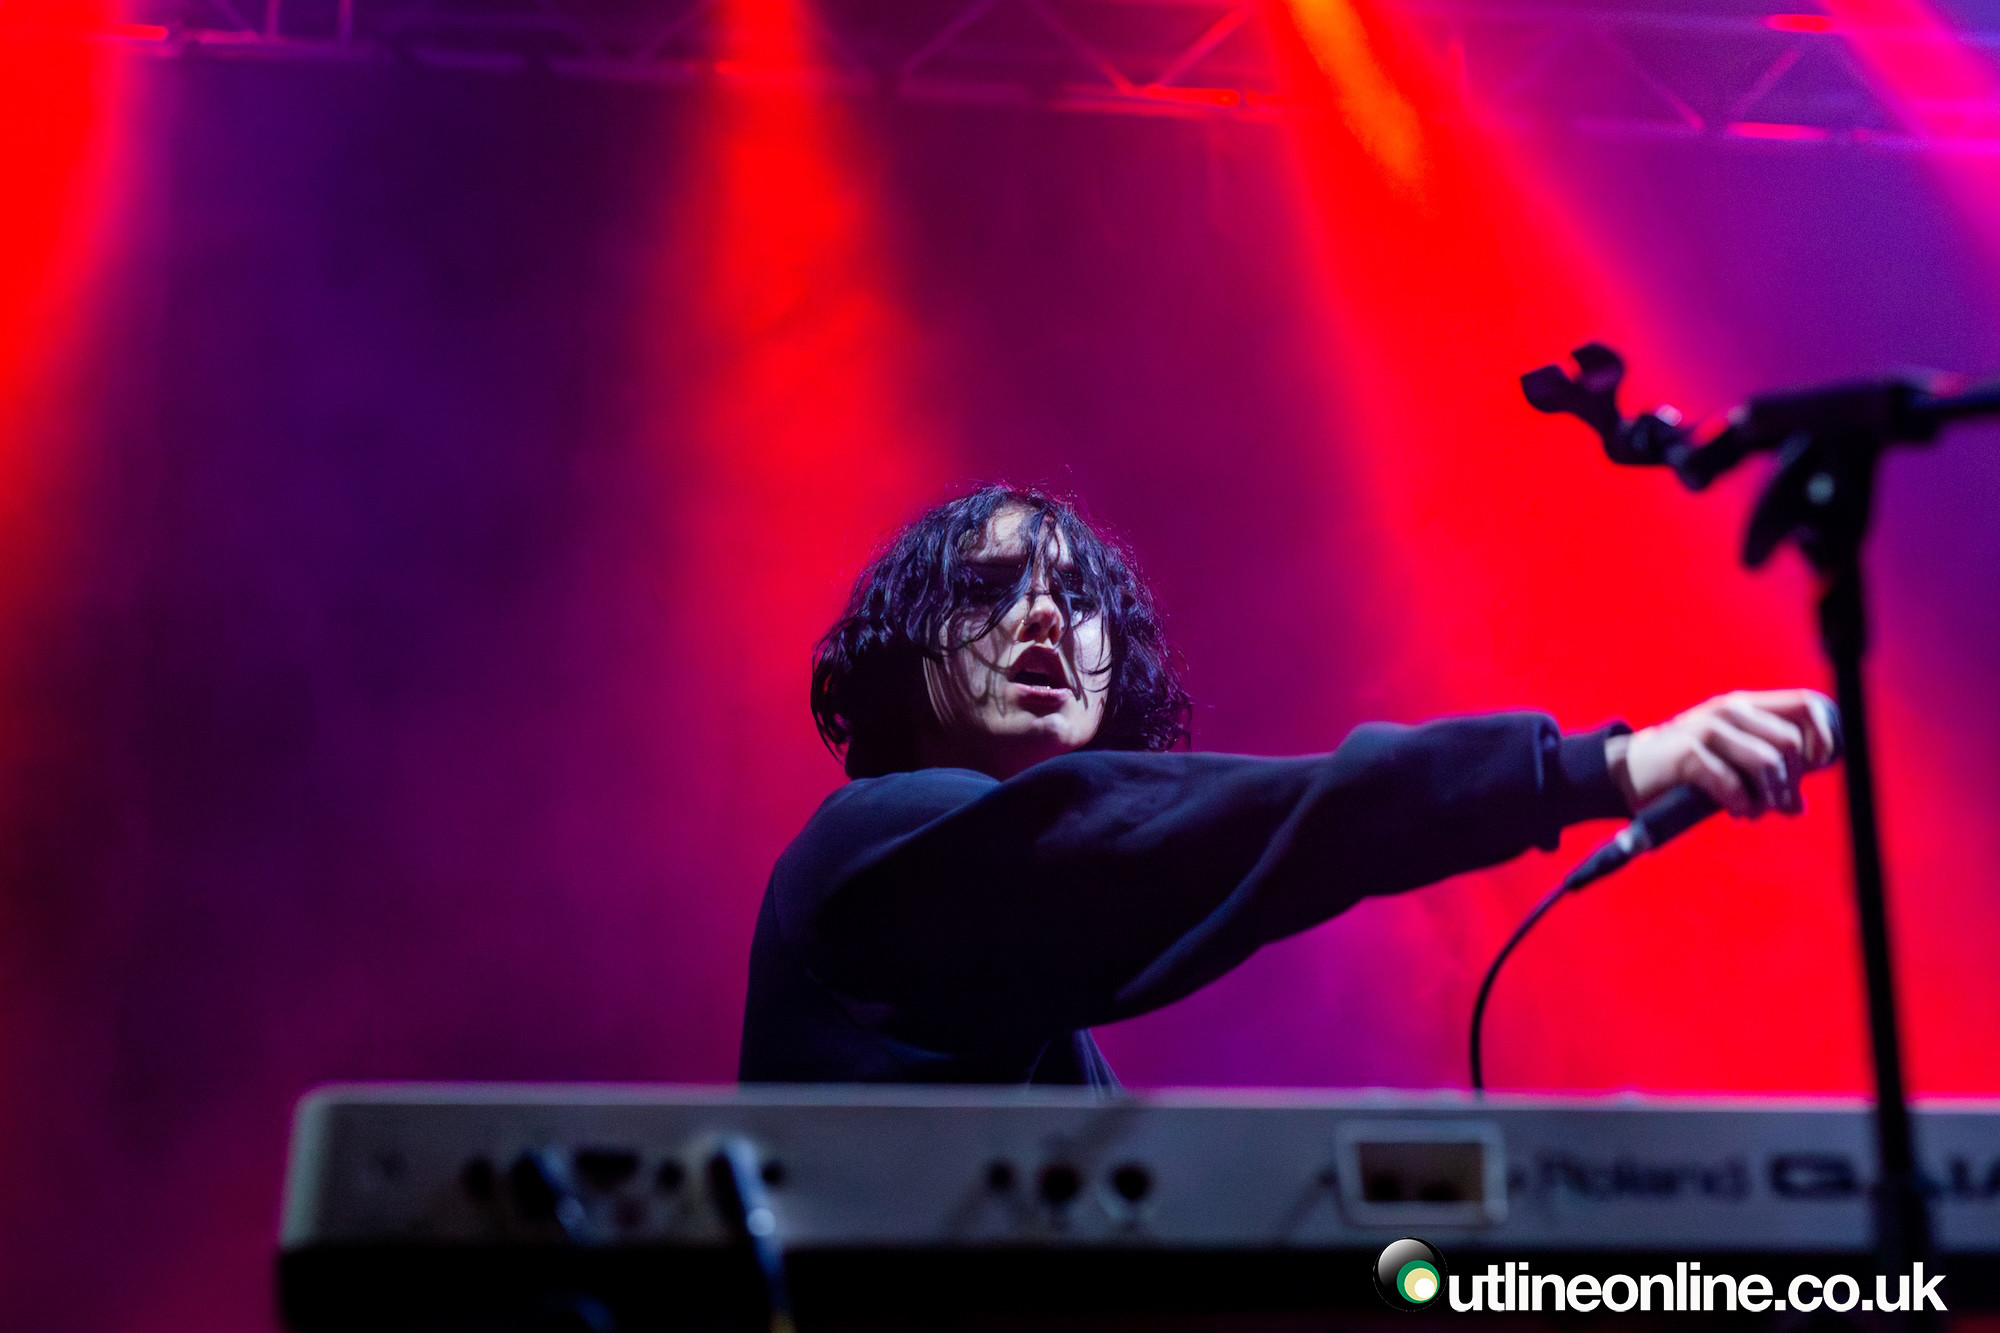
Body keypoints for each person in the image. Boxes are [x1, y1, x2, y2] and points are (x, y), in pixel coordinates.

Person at [737, 485, 1838, 1088]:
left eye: (1077, 600)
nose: (1040, 618)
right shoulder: (866, 841)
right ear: (901, 653)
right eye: (986, 587)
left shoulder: (1056, 1039)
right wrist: (1596, 769)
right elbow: (1212, 826)